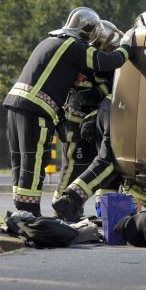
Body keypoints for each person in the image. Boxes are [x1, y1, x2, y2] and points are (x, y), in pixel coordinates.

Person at [3, 7, 132, 216]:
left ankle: (20, 212)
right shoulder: (74, 45)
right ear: (89, 31)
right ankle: (30, 214)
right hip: (38, 109)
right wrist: (128, 47)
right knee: (35, 161)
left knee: (20, 161)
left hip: (15, 104)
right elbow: (105, 61)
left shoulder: (51, 40)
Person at [53, 20, 122, 209]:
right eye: (108, 46)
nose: (111, 49)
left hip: (91, 125)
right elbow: (83, 97)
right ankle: (60, 205)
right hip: (75, 125)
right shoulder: (86, 66)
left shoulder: (107, 68)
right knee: (73, 166)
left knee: (95, 166)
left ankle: (99, 209)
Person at [52, 94, 120, 222]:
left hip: (101, 110)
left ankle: (105, 215)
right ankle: (66, 204)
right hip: (82, 116)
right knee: (104, 162)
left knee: (107, 169)